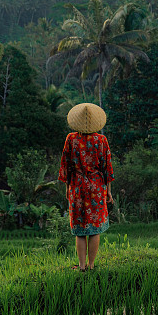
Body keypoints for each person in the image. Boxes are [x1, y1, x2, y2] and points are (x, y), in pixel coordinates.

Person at [58, 103, 114, 272]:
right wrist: (109, 191)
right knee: (95, 229)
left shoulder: (71, 139)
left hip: (77, 186)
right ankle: (91, 265)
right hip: (97, 187)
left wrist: (68, 188)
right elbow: (107, 168)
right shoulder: (101, 140)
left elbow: (66, 166)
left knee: (80, 229)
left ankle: (82, 266)